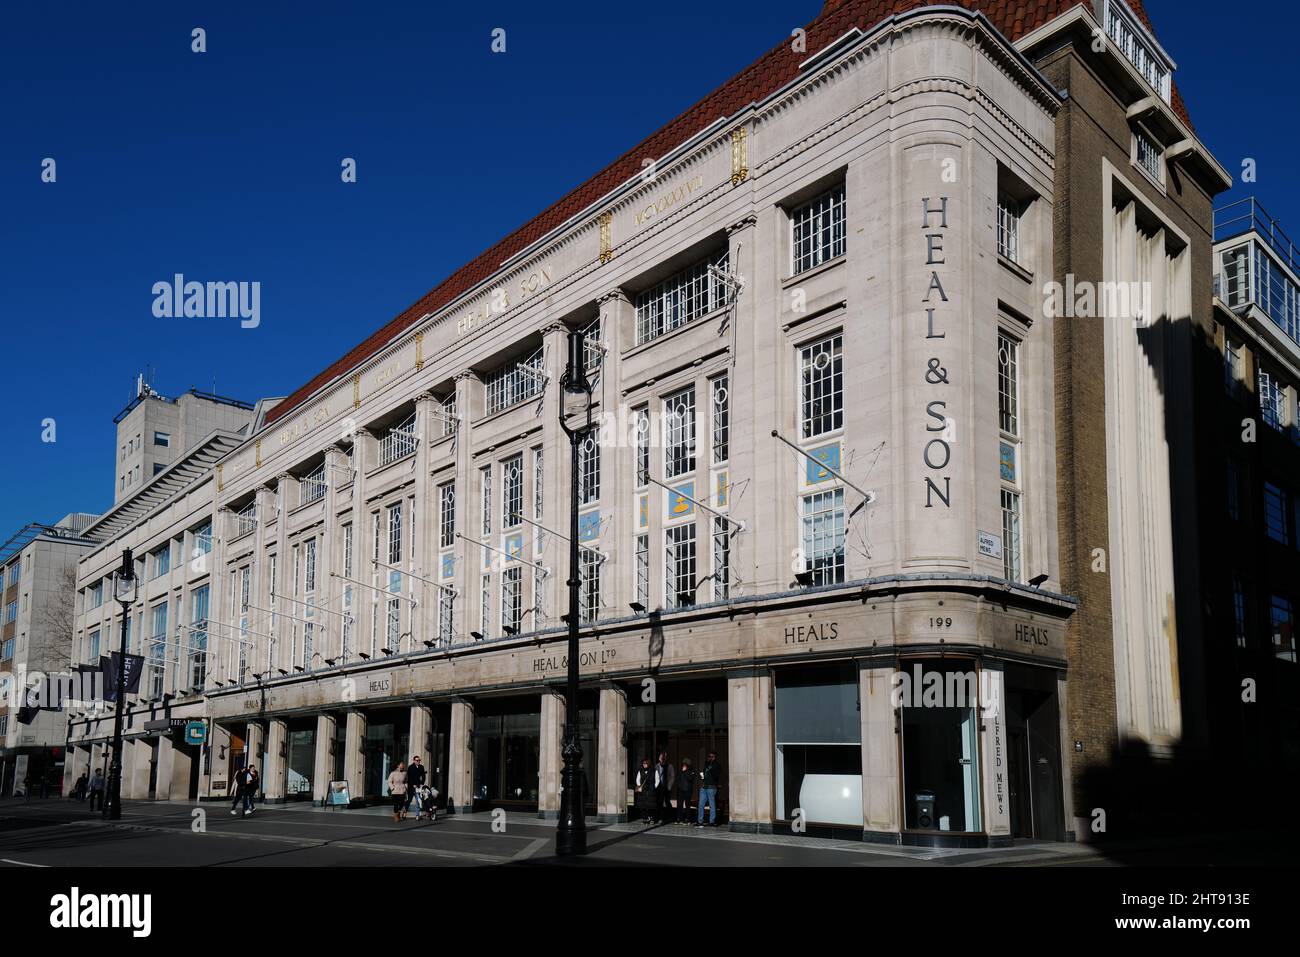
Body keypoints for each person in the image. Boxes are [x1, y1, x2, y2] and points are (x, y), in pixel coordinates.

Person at [696, 751, 721, 827]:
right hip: (704, 786)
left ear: (715, 757)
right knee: (701, 804)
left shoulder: (717, 765)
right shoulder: (706, 764)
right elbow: (705, 773)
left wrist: (710, 768)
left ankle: (712, 821)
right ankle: (700, 821)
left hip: (711, 787)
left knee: (711, 805)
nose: (710, 758)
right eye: (709, 756)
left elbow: (716, 776)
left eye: (712, 756)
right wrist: (702, 776)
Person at [653, 752, 675, 825]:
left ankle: (670, 816)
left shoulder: (670, 766)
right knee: (659, 802)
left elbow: (672, 777)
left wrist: (669, 786)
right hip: (659, 787)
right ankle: (660, 818)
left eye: (663, 758)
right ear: (659, 759)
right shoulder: (656, 766)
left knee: (667, 802)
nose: (662, 760)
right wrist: (656, 786)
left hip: (666, 787)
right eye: (661, 758)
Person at [633, 757, 655, 823]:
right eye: (643, 763)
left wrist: (653, 787)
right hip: (642, 790)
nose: (644, 764)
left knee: (650, 806)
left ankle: (650, 817)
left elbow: (657, 780)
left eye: (645, 763)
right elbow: (637, 779)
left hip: (650, 790)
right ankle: (644, 818)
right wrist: (640, 786)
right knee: (643, 805)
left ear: (648, 764)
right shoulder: (640, 771)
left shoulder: (653, 771)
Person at [675, 757, 696, 824]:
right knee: (680, 805)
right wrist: (678, 786)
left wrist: (685, 771)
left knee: (687, 805)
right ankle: (679, 818)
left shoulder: (691, 771)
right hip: (681, 790)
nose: (683, 765)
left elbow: (690, 779)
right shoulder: (681, 770)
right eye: (683, 764)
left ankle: (687, 819)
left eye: (685, 764)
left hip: (687, 790)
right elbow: (678, 778)